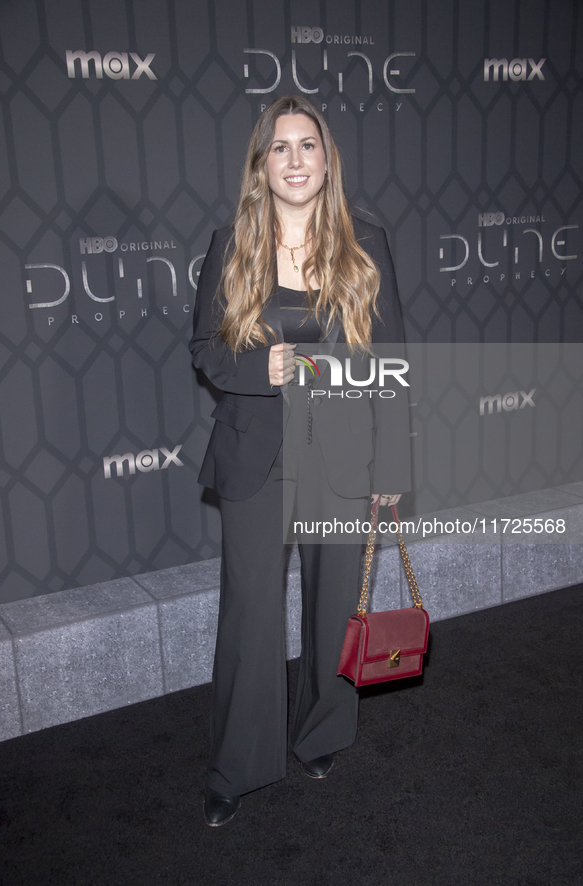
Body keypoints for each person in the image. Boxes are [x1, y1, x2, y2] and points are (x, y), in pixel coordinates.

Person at [189, 95, 411, 827]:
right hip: (259, 455)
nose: (293, 159)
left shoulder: (366, 241)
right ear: (261, 164)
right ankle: (238, 765)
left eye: (305, 145)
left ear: (326, 158)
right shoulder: (231, 243)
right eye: (278, 147)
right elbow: (205, 351)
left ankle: (320, 732)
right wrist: (265, 370)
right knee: (250, 615)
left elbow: (390, 364)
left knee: (331, 607)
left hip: (341, 457)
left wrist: (391, 472)